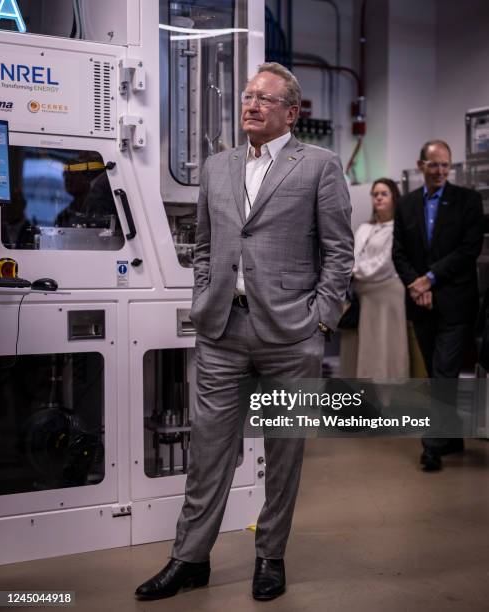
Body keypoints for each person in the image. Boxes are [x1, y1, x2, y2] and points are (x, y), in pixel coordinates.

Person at [135, 62, 354, 601]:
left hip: (290, 334)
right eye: (248, 96)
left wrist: (320, 319)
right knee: (207, 451)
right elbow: (205, 245)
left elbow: (339, 253)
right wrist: (203, 295)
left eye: (264, 99)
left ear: (291, 112)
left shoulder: (319, 167)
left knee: (283, 451)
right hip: (222, 331)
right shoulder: (217, 167)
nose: (251, 105)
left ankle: (270, 556)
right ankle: (189, 559)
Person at [392, 140, 484, 472]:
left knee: (444, 371)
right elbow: (399, 253)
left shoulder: (468, 201)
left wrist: (428, 279)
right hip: (421, 304)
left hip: (456, 303)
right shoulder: (406, 205)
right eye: (434, 165)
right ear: (420, 166)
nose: (441, 171)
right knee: (436, 373)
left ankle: (431, 446)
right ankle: (452, 435)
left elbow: (468, 250)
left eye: (446, 165)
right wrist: (416, 285)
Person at [340, 178, 409, 379]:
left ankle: (386, 401)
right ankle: (357, 399)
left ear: (394, 197)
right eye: (375, 194)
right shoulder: (365, 228)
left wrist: (354, 270)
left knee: (383, 351)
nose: (378, 198)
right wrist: (352, 268)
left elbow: (385, 262)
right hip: (361, 295)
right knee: (357, 350)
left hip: (386, 295)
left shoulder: (398, 229)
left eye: (383, 193)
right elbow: (352, 255)